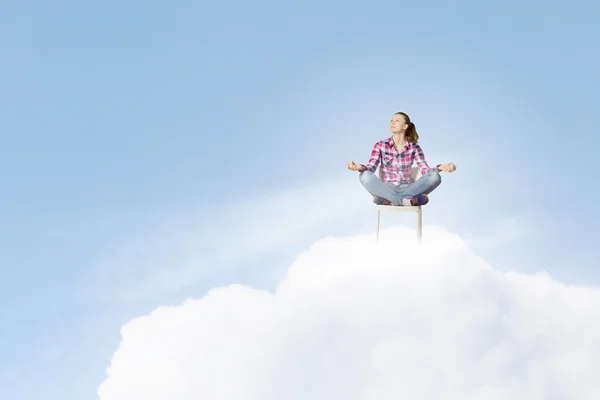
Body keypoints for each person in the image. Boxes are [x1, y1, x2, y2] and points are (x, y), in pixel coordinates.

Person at [347, 112, 456, 206]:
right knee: (364, 175)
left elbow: (424, 169)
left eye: (397, 120)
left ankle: (389, 201)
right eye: (391, 120)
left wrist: (440, 168)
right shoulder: (380, 145)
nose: (392, 123)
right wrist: (359, 167)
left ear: (405, 126)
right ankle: (405, 201)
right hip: (387, 188)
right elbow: (371, 167)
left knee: (435, 176)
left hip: (408, 188)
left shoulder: (414, 147)